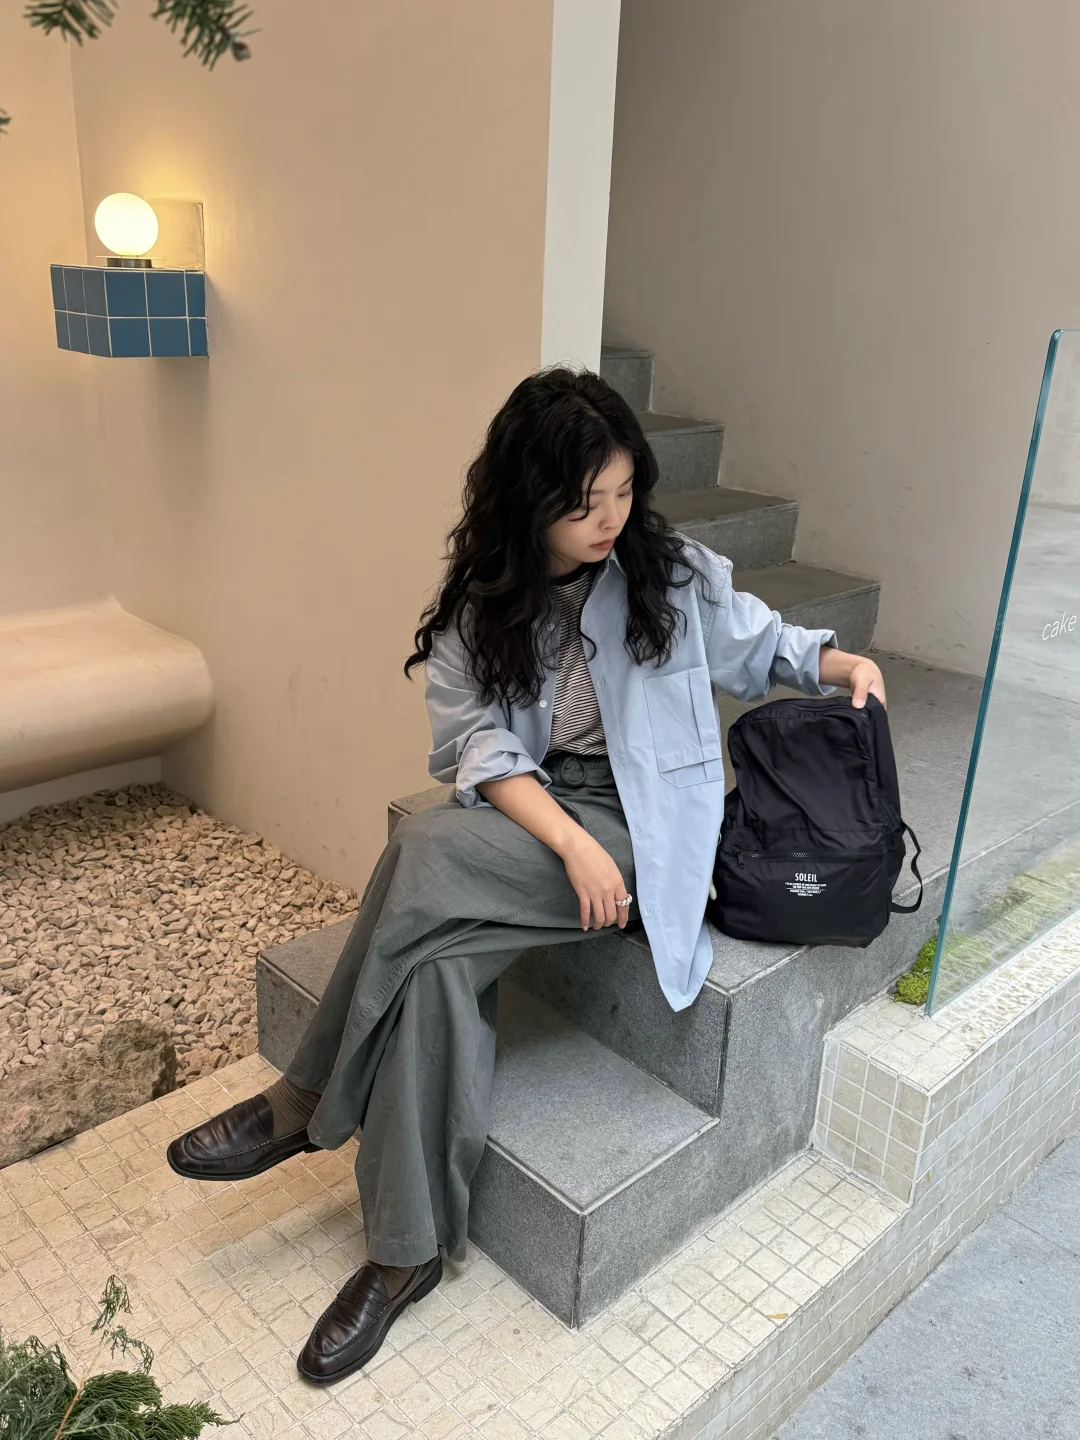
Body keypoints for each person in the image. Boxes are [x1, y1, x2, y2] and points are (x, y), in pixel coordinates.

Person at [166, 368, 886, 1385]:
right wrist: (569, 845)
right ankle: (405, 1255)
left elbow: (761, 643)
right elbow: (479, 748)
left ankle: (305, 1095)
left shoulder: (671, 575)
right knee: (433, 968)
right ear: (526, 497)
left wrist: (839, 664)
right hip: (545, 822)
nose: (610, 518)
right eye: (584, 502)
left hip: (643, 825)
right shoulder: (484, 604)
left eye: (624, 492)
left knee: (423, 849)